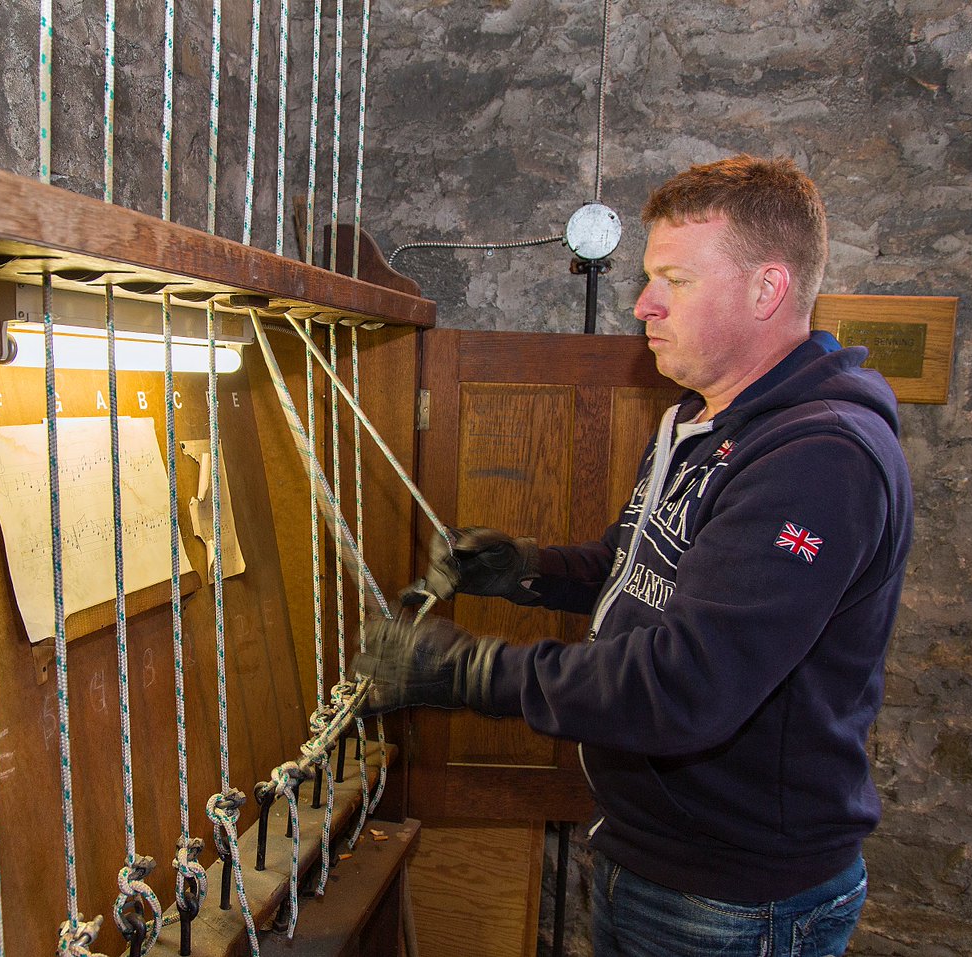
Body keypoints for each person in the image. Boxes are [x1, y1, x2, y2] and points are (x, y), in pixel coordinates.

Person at [353, 155, 913, 957]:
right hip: (647, 849)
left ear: (767, 289)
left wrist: (471, 673)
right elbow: (638, 572)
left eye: (675, 280)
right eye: (649, 277)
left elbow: (687, 684)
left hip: (730, 891)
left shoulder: (819, 459)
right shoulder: (698, 416)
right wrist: (527, 567)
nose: (643, 303)